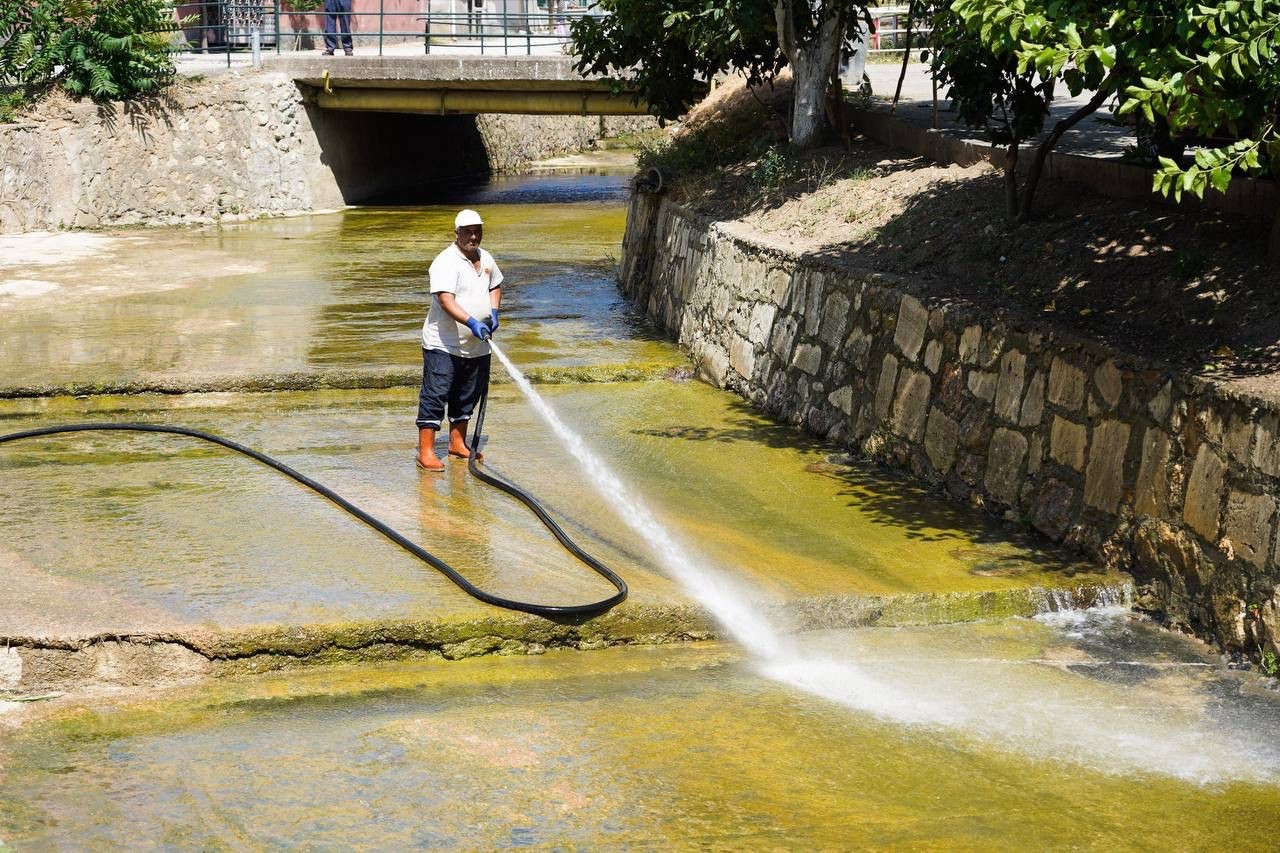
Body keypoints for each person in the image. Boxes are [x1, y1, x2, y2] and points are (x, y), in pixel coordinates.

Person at [416, 208, 502, 472]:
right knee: (436, 394)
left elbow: (495, 285)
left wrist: (494, 312)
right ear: (457, 234)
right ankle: (426, 451)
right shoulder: (445, 262)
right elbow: (445, 300)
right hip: (443, 344)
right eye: (468, 232)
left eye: (477, 231)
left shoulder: (485, 258)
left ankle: (457, 443)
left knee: (467, 394)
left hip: (477, 346)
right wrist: (472, 322)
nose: (473, 237)